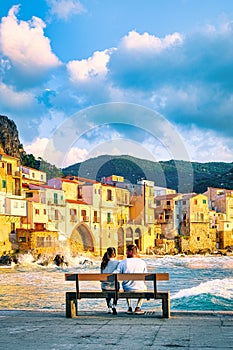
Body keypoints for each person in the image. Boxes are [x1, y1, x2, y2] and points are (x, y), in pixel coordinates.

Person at [113, 244, 147, 315]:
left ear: (131, 252)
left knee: (126, 285)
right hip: (140, 288)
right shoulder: (142, 262)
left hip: (127, 288)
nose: (125, 253)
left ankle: (129, 307)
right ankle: (138, 307)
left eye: (127, 251)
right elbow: (145, 277)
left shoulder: (123, 262)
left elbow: (115, 273)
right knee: (144, 287)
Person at [100, 247, 119, 315]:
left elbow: (101, 276)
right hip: (114, 287)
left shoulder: (103, 263)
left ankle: (109, 307)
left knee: (105, 287)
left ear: (107, 254)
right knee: (117, 285)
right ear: (115, 254)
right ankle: (114, 304)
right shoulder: (118, 263)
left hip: (105, 287)